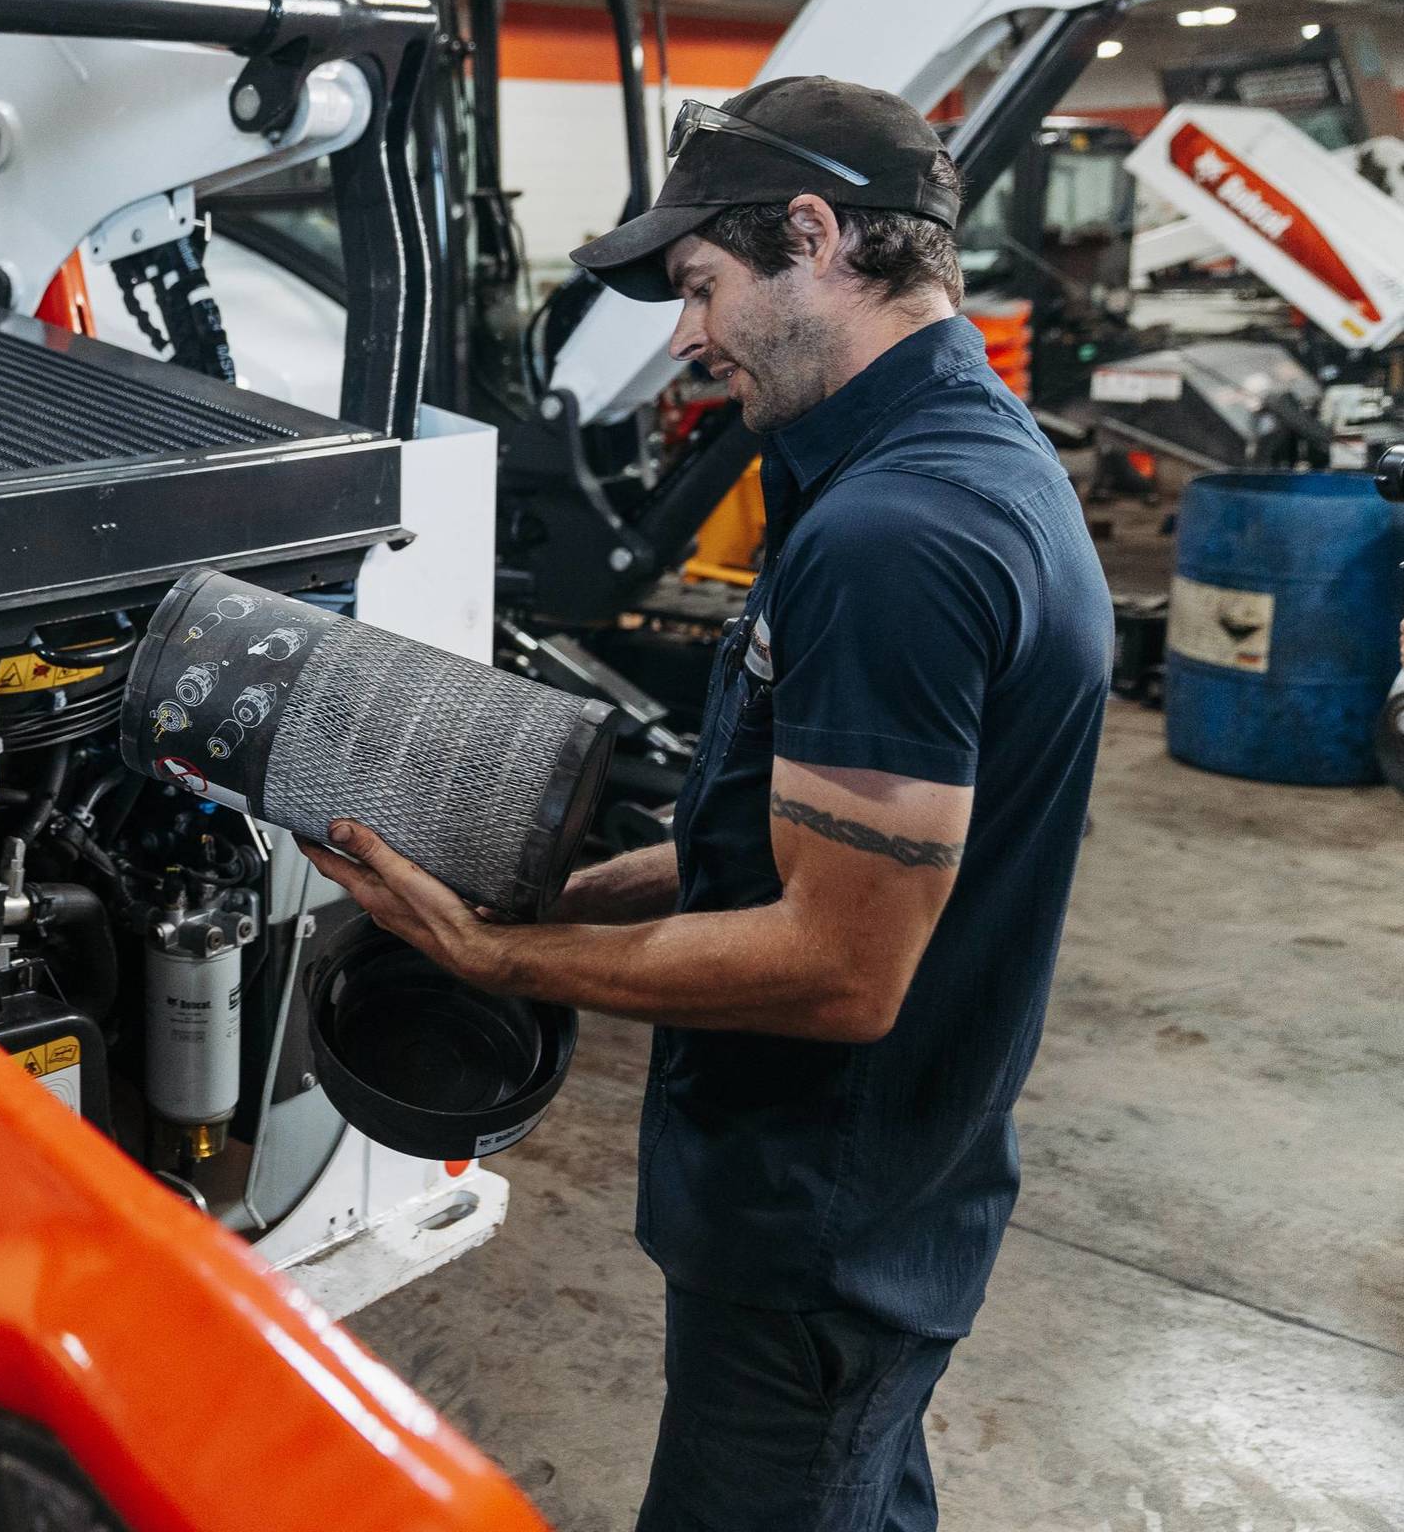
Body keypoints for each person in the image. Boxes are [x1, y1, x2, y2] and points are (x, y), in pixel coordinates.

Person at [313, 77, 1114, 1532]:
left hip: (820, 1226)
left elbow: (839, 964)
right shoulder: (946, 461)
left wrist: (501, 958)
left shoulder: (898, 536)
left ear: (815, 235)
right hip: (880, 1195)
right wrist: (557, 895)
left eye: (701, 285)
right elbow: (767, 848)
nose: (688, 335)